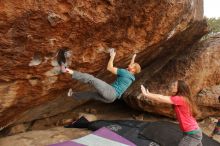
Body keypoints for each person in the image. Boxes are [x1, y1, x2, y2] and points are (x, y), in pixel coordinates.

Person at [62, 49, 141, 103]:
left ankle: (68, 70)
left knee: (91, 79)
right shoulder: (131, 77)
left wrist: (112, 56)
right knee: (91, 94)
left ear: (133, 70)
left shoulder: (125, 73)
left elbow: (109, 68)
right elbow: (132, 66)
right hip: (111, 99)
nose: (129, 65)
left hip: (111, 92)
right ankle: (71, 94)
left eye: (132, 65)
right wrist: (133, 58)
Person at [141, 80, 203, 146]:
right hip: (192, 132)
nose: (172, 86)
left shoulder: (180, 99)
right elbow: (161, 97)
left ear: (179, 88)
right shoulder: (183, 98)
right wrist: (149, 94)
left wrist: (147, 94)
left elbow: (161, 98)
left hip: (193, 134)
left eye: (174, 85)